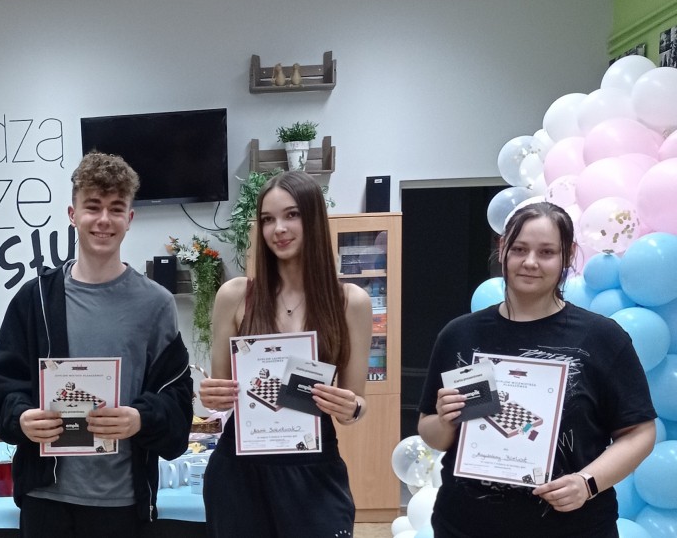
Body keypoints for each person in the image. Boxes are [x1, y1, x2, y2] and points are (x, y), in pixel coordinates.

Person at [0, 151, 193, 538]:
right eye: (93, 206)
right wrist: (22, 418)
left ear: (129, 218)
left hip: (122, 503)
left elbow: (178, 403)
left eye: (116, 209)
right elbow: (3, 387)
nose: (103, 220)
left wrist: (140, 419)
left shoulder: (156, 304)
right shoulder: (35, 300)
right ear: (72, 214)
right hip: (45, 499)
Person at [418, 201, 656, 538]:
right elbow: (432, 432)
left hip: (573, 529)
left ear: (567, 255)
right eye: (519, 249)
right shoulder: (460, 334)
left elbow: (640, 432)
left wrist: (586, 483)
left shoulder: (601, 337)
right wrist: (445, 420)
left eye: (546, 252)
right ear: (503, 249)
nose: (530, 262)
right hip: (464, 525)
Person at [198, 170, 373, 538]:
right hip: (240, 472)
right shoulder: (235, 296)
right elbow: (221, 394)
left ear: (314, 219)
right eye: (267, 219)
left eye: (291, 215)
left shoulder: (350, 302)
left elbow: (356, 401)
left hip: (313, 469)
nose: (278, 229)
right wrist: (212, 395)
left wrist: (352, 407)